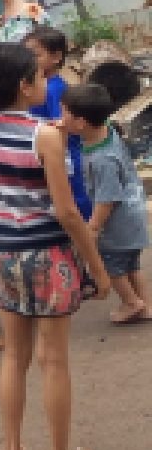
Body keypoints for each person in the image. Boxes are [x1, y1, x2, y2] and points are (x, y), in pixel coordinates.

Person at [0, 44, 109, 450]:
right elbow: (67, 212)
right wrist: (98, 269)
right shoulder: (45, 136)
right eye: (38, 77)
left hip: (3, 256)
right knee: (53, 361)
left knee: (14, 357)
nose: (44, 83)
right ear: (23, 85)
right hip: (49, 257)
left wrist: (3, 193)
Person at [61, 83, 152, 324]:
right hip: (133, 218)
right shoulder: (107, 131)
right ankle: (145, 305)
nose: (60, 118)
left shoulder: (103, 160)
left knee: (112, 267)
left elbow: (107, 198)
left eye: (63, 113)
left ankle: (131, 303)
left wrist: (92, 228)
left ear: (81, 123)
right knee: (131, 265)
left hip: (118, 224)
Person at [24, 27, 93, 220]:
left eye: (35, 55)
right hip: (52, 155)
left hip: (65, 155)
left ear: (56, 57)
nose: (29, 60)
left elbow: (61, 123)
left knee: (74, 199)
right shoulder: (41, 86)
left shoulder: (54, 88)